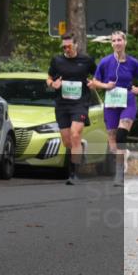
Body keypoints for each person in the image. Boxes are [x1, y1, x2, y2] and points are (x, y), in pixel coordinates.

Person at [88, 31, 138, 186]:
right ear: (111, 44)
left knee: (120, 136)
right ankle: (124, 154)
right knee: (112, 141)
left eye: (120, 40)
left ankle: (119, 175)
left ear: (125, 42)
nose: (117, 43)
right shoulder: (105, 62)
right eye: (114, 40)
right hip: (111, 104)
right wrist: (106, 85)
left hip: (128, 102)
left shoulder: (133, 63)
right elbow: (94, 82)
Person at [46, 33, 98, 185]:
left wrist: (94, 83)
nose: (66, 49)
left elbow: (98, 76)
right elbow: (48, 78)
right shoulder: (57, 61)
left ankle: (74, 175)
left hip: (80, 103)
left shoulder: (86, 61)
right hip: (62, 105)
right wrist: (52, 84)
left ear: (76, 45)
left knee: (75, 135)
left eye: (69, 46)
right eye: (64, 47)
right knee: (67, 141)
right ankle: (79, 147)